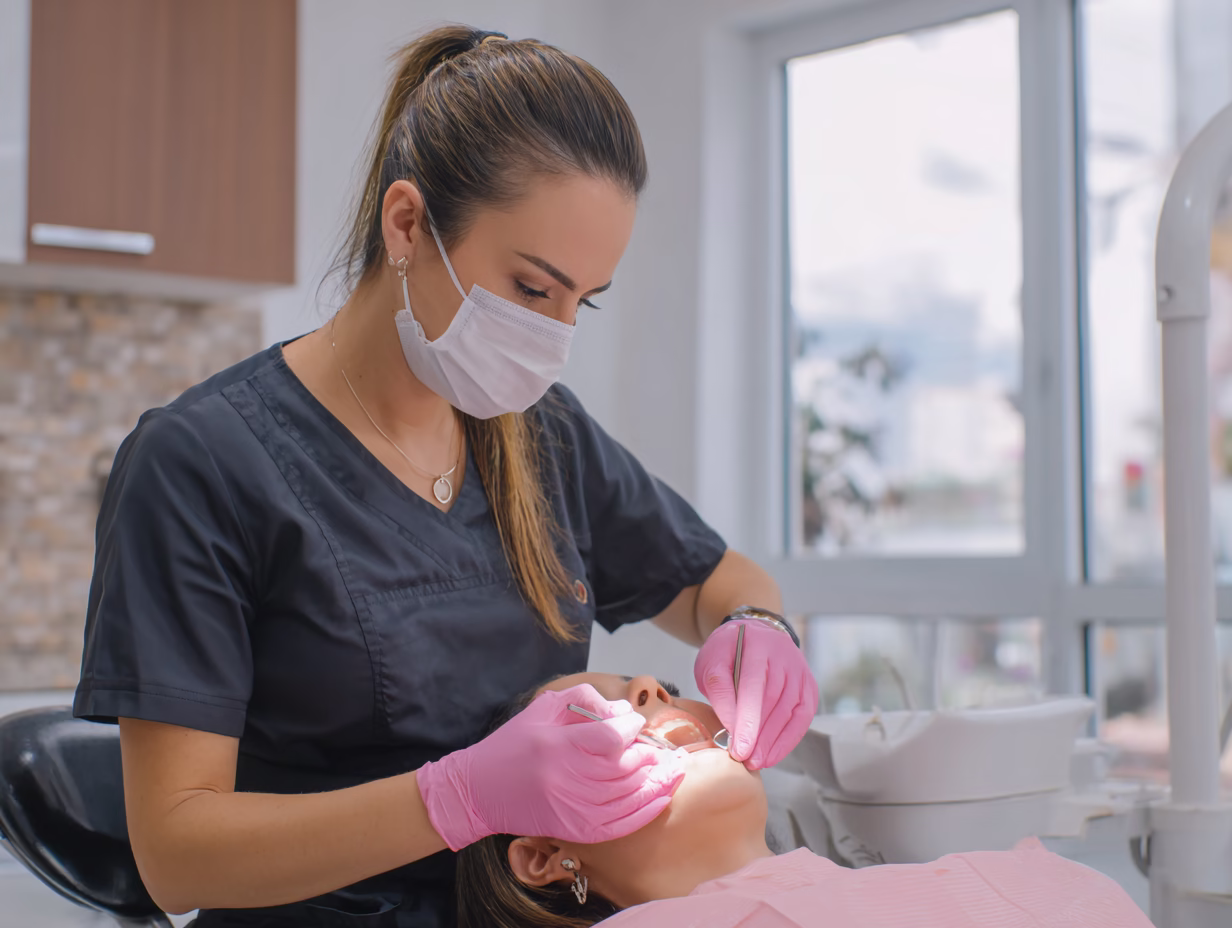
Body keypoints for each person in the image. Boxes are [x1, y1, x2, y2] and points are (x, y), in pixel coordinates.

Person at [72, 24, 819, 928]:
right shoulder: (203, 465)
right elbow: (177, 857)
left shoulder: (540, 440)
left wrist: (756, 627)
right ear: (408, 224)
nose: (557, 335)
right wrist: (454, 798)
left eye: (584, 301)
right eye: (533, 289)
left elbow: (715, 581)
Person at [456, 673, 1155, 928]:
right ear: (545, 856)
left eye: (666, 681)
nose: (649, 687)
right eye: (590, 714)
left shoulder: (1017, 883)